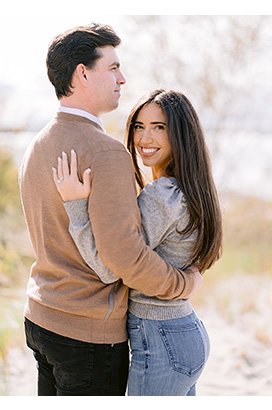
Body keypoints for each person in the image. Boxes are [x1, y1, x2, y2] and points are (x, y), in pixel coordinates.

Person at [17, 24, 202, 395]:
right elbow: (123, 258)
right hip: (87, 332)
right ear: (83, 73)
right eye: (113, 67)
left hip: (40, 318)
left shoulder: (36, 145)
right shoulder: (105, 151)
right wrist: (184, 283)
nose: (122, 77)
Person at [53, 89, 221, 395]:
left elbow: (110, 268)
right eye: (139, 127)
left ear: (181, 134)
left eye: (159, 127)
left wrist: (76, 207)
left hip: (161, 337)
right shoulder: (190, 190)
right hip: (185, 331)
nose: (145, 138)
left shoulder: (161, 196)